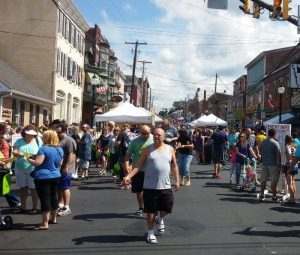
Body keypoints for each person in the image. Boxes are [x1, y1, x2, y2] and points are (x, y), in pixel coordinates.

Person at [123, 128, 180, 244]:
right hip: (150, 186)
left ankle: (160, 218)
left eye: (159, 135)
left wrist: (177, 180)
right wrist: (129, 176)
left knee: (167, 208)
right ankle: (150, 233)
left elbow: (174, 166)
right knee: (150, 211)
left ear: (164, 136)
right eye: (154, 135)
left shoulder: (170, 149)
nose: (156, 137)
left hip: (165, 185)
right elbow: (138, 165)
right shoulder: (147, 150)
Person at [27, 130, 64, 230]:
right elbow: (60, 163)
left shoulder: (43, 149)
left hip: (43, 177)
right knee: (53, 197)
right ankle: (53, 219)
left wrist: (29, 159)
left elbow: (38, 163)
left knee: (45, 199)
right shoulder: (60, 149)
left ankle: (44, 223)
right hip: (56, 175)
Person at [124, 125, 153, 216]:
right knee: (139, 190)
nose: (146, 135)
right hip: (138, 170)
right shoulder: (134, 141)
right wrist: (127, 166)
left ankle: (152, 209)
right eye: (144, 134)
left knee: (151, 191)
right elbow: (128, 156)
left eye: (148, 133)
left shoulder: (154, 139)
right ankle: (141, 207)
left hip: (151, 170)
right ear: (140, 132)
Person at [12, 124, 42, 214]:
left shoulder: (38, 141)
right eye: (28, 133)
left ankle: (34, 208)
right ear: (24, 133)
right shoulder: (19, 141)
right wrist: (22, 154)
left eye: (32, 134)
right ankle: (23, 207)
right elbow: (15, 152)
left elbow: (41, 153)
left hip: (33, 168)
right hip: (20, 167)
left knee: (33, 188)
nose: (30, 135)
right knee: (23, 188)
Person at [57, 124, 77, 216]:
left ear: (63, 130)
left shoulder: (69, 140)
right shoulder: (58, 140)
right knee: (59, 187)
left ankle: (67, 207)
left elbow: (71, 155)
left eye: (58, 130)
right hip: (58, 168)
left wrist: (66, 166)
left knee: (65, 187)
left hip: (66, 168)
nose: (56, 131)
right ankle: (60, 204)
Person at [259, 128, 281, 201]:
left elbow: (260, 150)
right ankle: (274, 196)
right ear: (274, 134)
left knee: (263, 180)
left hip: (264, 163)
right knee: (273, 181)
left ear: (268, 134)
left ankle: (262, 194)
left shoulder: (263, 142)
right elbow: (278, 155)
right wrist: (280, 164)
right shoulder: (275, 143)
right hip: (273, 164)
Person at [281, 135, 297, 204]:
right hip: (295, 165)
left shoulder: (287, 146)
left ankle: (292, 199)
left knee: (289, 183)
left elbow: (290, 153)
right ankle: (293, 197)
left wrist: (290, 158)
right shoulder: (295, 146)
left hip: (288, 165)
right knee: (292, 181)